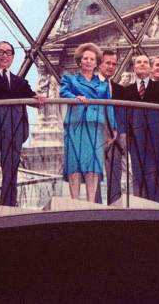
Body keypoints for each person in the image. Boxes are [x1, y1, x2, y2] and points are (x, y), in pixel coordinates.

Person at [0, 41, 45, 206]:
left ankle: (9, 206)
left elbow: (31, 96)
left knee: (11, 171)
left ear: (12, 57)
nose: (4, 55)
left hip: (13, 130)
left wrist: (37, 98)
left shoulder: (20, 82)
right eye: (0, 52)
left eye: (8, 52)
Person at [59, 43, 116, 203]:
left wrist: (113, 129)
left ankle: (91, 201)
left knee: (94, 162)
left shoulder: (103, 85)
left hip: (94, 126)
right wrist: (75, 98)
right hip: (75, 124)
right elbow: (63, 92)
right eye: (86, 58)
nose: (89, 61)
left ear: (97, 62)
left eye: (92, 59)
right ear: (80, 61)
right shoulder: (69, 79)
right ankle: (75, 200)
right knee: (74, 162)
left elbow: (108, 107)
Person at [122, 55, 159, 204]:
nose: (142, 65)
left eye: (145, 62)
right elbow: (122, 113)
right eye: (138, 62)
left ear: (150, 68)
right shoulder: (126, 90)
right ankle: (141, 203)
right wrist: (123, 133)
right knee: (138, 170)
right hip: (136, 137)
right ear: (134, 67)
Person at [98, 49, 125, 204]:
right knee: (93, 173)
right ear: (99, 64)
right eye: (107, 63)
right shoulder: (89, 85)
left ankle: (115, 206)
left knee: (115, 175)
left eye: (114, 64)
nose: (111, 67)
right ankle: (94, 209)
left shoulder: (119, 89)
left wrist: (120, 134)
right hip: (94, 134)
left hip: (114, 139)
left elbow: (121, 114)